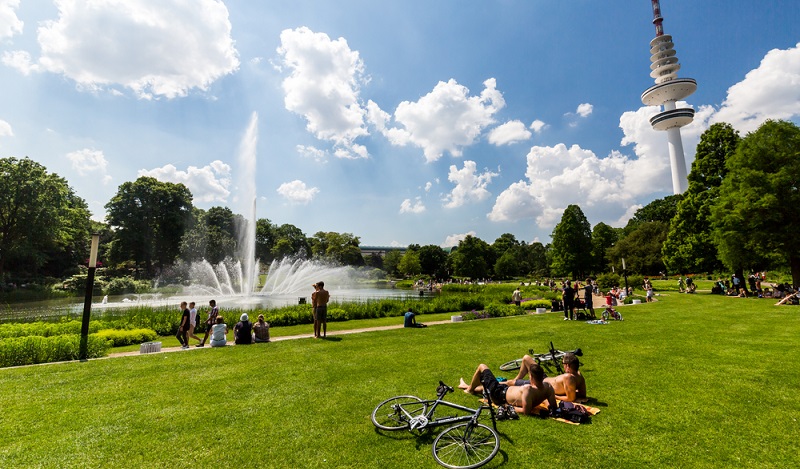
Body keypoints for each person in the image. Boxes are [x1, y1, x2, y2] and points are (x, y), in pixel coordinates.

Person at [458, 362, 557, 416]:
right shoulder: (548, 387)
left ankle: (469, 390)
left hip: (498, 394)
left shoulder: (528, 390)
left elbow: (526, 411)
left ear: (531, 377)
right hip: (504, 389)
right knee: (487, 385)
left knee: (482, 366)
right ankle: (467, 386)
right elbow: (553, 406)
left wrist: (506, 406)